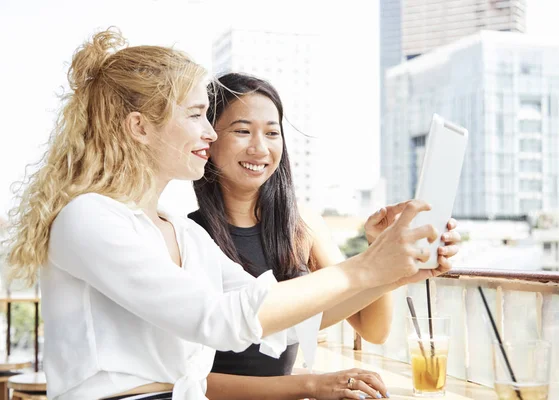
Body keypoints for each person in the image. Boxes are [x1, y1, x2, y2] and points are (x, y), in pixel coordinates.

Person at [6, 29, 445, 400]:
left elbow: (281, 321)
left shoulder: (183, 234)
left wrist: (395, 270)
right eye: (197, 115)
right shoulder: (89, 219)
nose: (210, 132)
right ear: (139, 127)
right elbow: (217, 320)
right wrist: (368, 267)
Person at [188, 73, 460, 399]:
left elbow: (373, 329)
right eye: (242, 131)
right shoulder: (187, 237)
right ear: (209, 137)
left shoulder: (302, 225)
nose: (260, 147)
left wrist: (384, 254)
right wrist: (313, 385)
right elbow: (193, 379)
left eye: (272, 133)